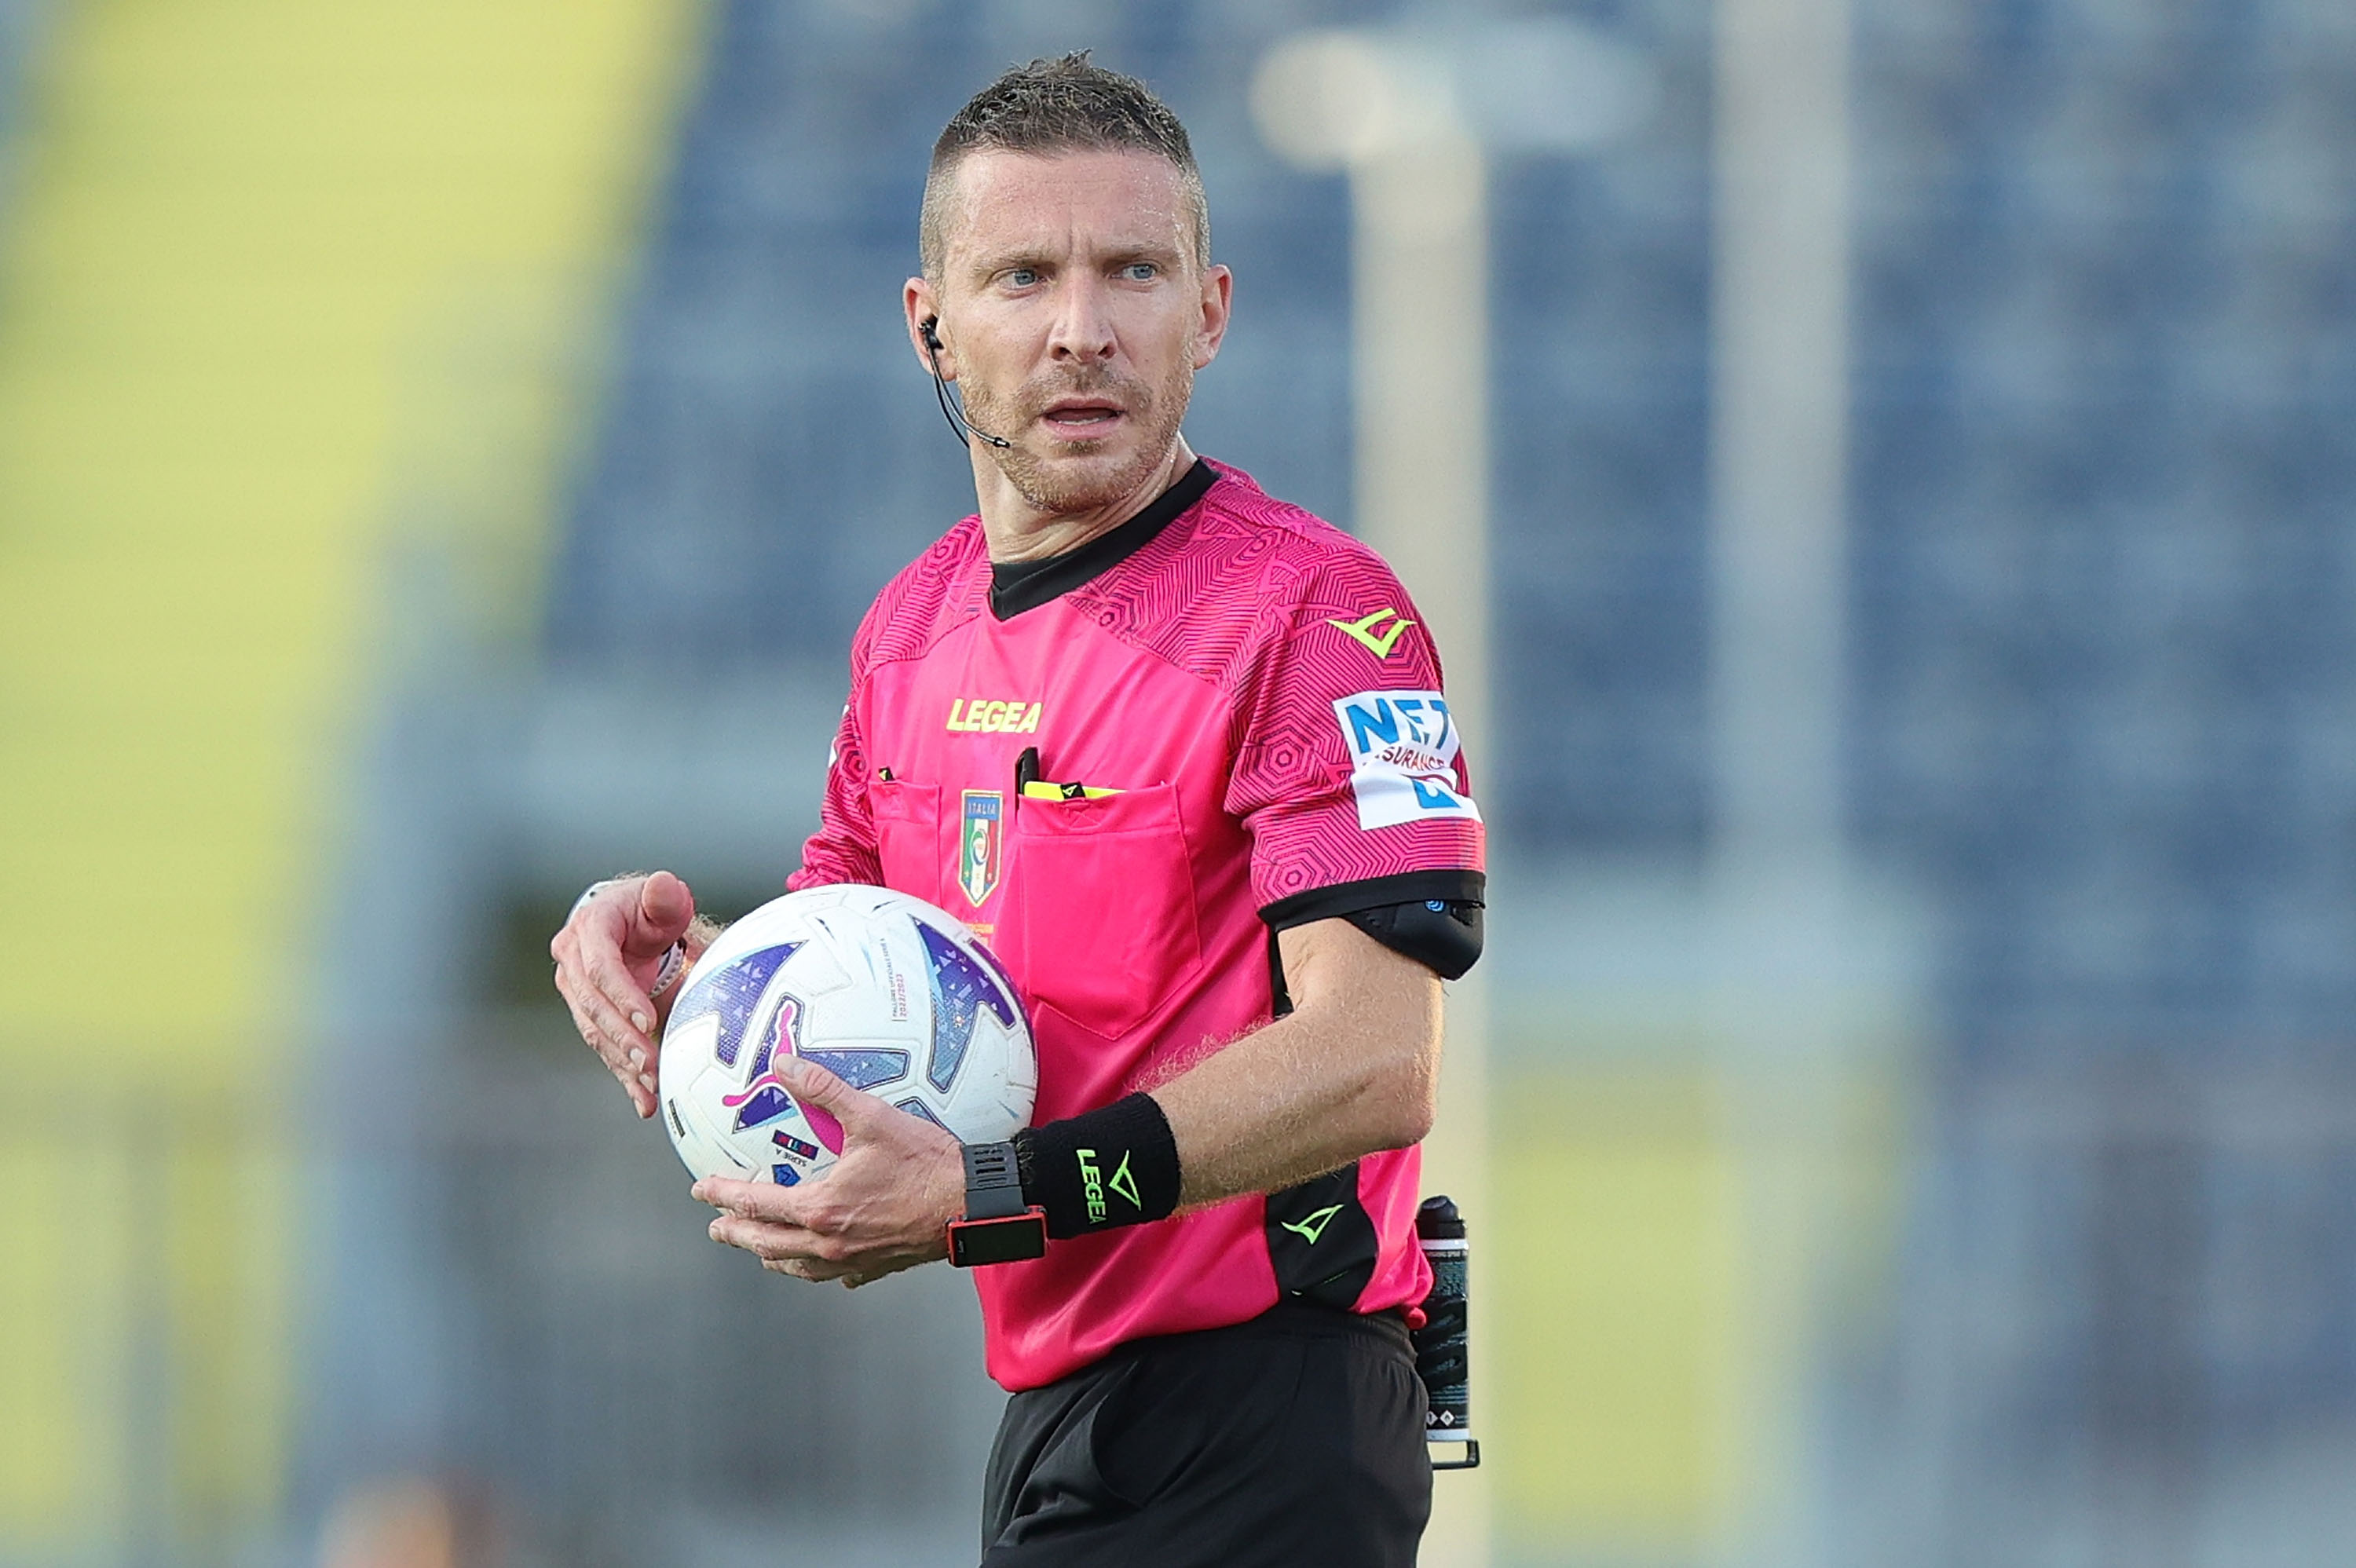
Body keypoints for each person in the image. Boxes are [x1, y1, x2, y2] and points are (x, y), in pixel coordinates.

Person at [549, 53, 1485, 1567]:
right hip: (1055, 1416)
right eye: (1022, 276)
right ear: (931, 326)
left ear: (1213, 309)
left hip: (1266, 1416)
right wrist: (679, 971)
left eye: (1133, 270)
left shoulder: (1318, 616)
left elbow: (1375, 1063)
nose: (1081, 328)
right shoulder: (908, 634)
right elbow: (860, 981)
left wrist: (991, 1191)